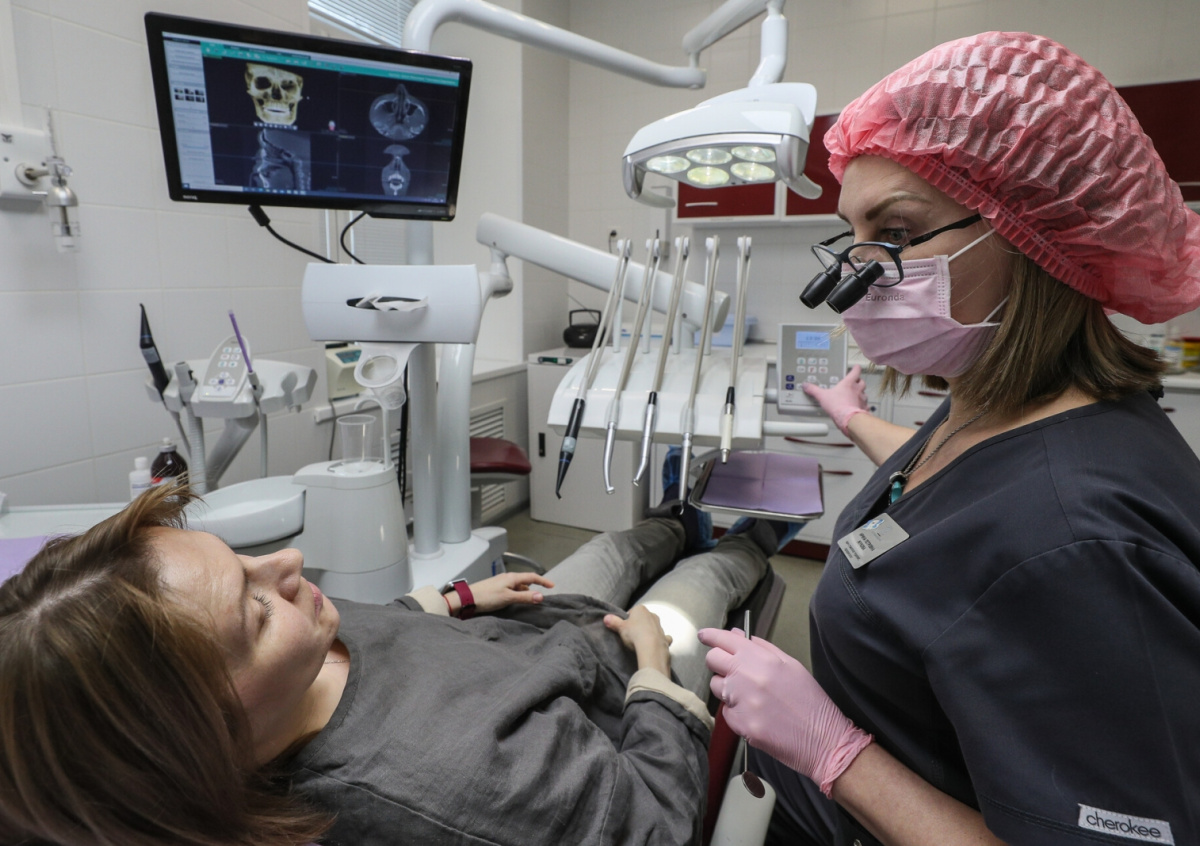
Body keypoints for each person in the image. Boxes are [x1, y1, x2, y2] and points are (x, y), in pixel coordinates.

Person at [699, 31, 1200, 846]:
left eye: (897, 233)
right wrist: (853, 419)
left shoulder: (1082, 544)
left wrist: (836, 754)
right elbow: (960, 490)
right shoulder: (1004, 402)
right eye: (854, 235)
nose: (858, 276)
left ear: (1033, 234)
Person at [0, 479, 789, 846]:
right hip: (623, 681)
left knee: (622, 544)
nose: (289, 563)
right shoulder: (452, 792)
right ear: (201, 734)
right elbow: (651, 824)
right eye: (256, 606)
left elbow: (375, 638)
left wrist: (452, 600)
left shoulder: (290, 668)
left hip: (524, 628)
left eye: (239, 557)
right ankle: (751, 539)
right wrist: (654, 675)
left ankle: (675, 520)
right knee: (706, 579)